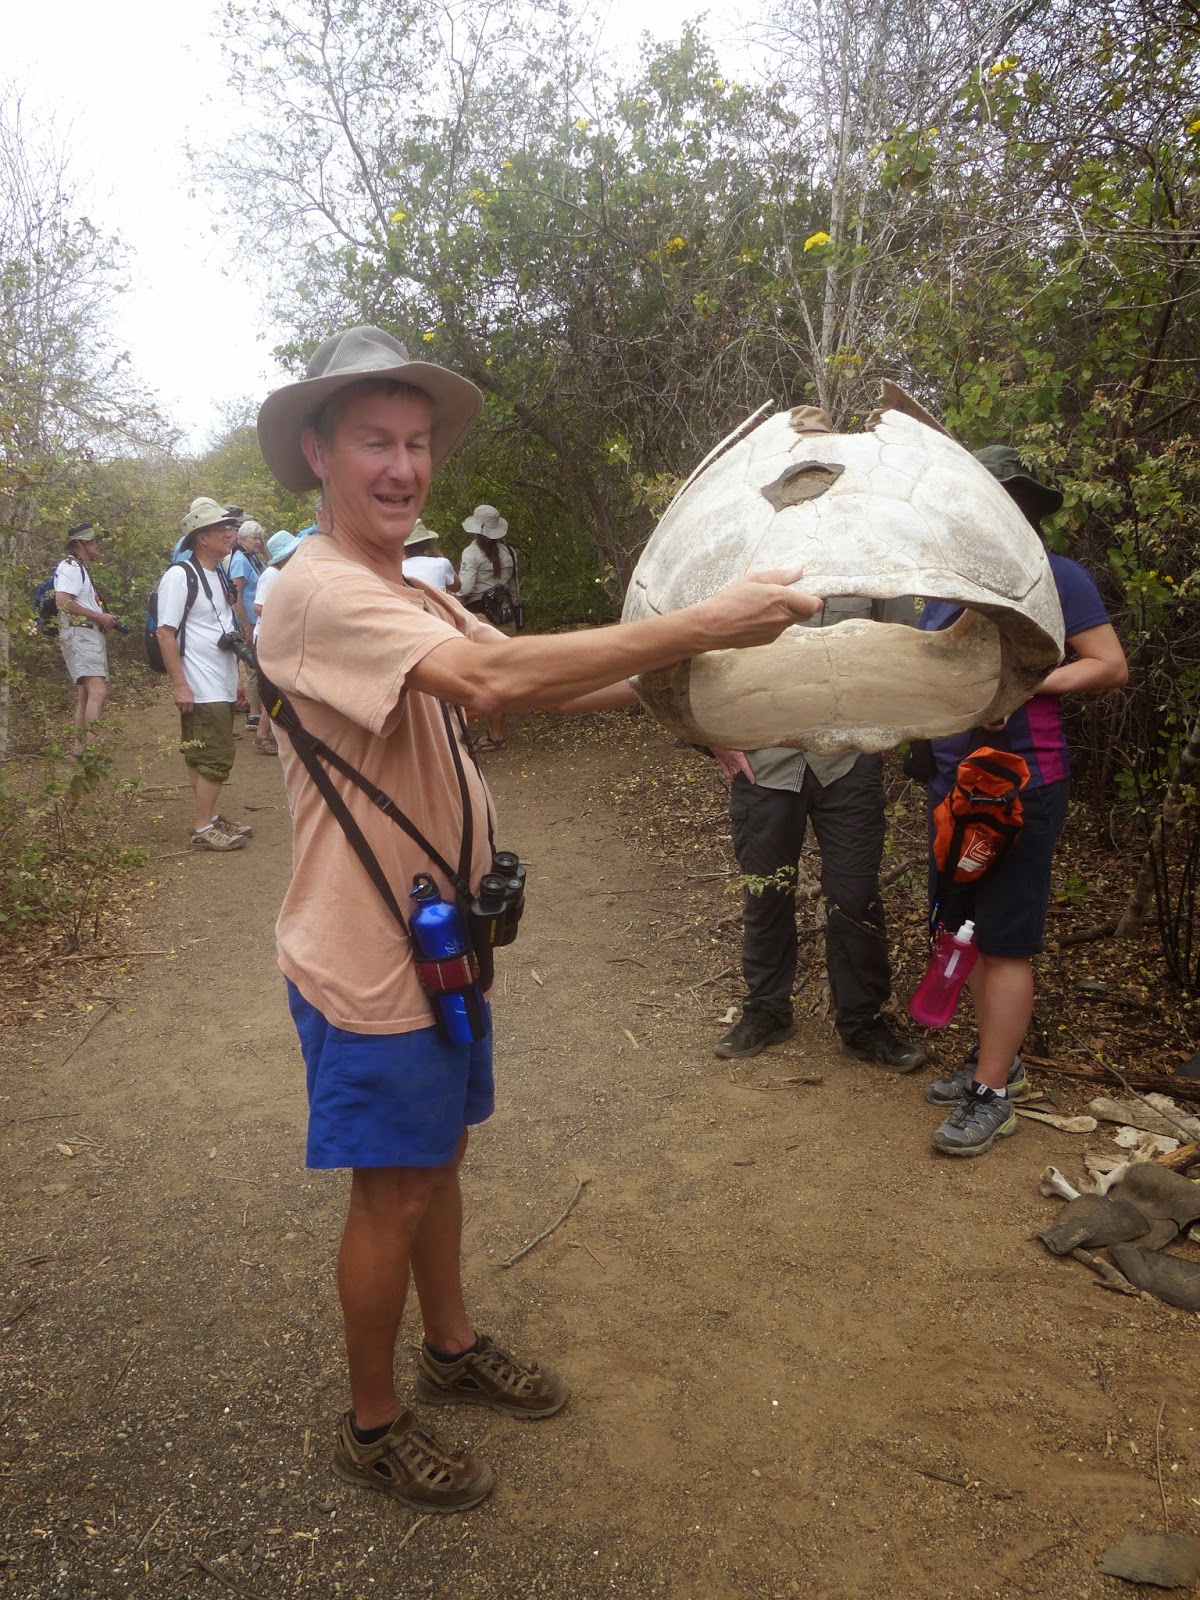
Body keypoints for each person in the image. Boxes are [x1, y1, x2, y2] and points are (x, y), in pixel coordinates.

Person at [254, 324, 821, 1514]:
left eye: (418, 443)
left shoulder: (406, 587)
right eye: (375, 442)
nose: (403, 466)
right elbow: (492, 684)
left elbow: (542, 673)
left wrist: (693, 703)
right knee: (392, 1189)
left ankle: (451, 1345)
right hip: (370, 960)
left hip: (442, 944)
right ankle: (372, 1421)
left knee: (440, 1159)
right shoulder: (317, 589)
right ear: (318, 452)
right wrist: (706, 622)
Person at [920, 445, 1128, 1157]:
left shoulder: (1056, 577)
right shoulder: (945, 589)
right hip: (954, 789)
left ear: (1026, 510)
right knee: (968, 933)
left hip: (1021, 788)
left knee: (1005, 942)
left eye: (1006, 500)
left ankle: (993, 1096)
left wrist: (1029, 684)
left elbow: (1109, 664)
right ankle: (996, 1061)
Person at [711, 596, 929, 1073]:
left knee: (855, 894)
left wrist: (890, 727)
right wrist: (710, 737)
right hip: (762, 758)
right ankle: (767, 1010)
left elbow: (904, 651)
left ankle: (863, 1022)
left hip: (849, 759)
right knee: (766, 891)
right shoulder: (749, 563)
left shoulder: (873, 567)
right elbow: (700, 652)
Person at [154, 498, 253, 852]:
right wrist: (180, 685)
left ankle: (208, 817)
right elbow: (165, 633)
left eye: (229, 528)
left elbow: (223, 629)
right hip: (199, 684)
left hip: (220, 680)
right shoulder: (179, 576)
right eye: (220, 529)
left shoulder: (218, 573)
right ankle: (202, 826)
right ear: (201, 538)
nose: (229, 534)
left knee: (201, 755)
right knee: (216, 757)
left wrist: (237, 680)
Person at [53, 521, 119, 760]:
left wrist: (101, 618)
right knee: (98, 692)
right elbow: (63, 602)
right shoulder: (71, 567)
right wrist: (99, 616)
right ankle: (92, 753)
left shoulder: (76, 567)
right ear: (79, 544)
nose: (98, 544)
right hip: (80, 634)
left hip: (84, 633)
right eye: (93, 540)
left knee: (86, 695)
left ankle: (79, 752)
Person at [457, 504, 520, 750]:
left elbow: (465, 588)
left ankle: (485, 734)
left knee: (479, 675)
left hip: (480, 617)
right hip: (506, 615)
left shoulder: (471, 554)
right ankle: (496, 732)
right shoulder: (510, 553)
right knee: (501, 674)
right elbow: (514, 588)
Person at [229, 520, 273, 748]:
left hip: (259, 621)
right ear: (242, 539)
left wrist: (264, 549)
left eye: (260, 537)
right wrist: (245, 625)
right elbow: (235, 596)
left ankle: (257, 713)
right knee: (254, 668)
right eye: (254, 538)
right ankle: (254, 714)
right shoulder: (239, 560)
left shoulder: (253, 558)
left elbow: (275, 564)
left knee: (258, 668)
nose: (258, 541)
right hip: (249, 621)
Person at [401, 521, 459, 592]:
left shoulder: (398, 569)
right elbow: (456, 588)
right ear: (428, 543)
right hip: (435, 599)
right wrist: (437, 552)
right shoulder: (442, 563)